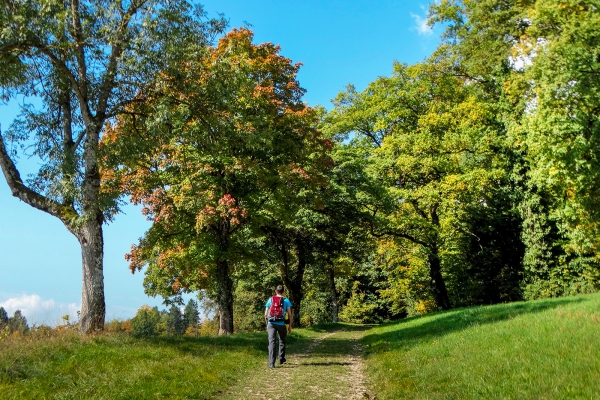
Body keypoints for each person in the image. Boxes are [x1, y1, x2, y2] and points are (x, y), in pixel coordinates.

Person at [264, 285, 293, 368]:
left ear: (276, 291)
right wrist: (289, 326)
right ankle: (281, 359)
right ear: (283, 292)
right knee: (282, 340)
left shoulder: (270, 299)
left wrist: (267, 325)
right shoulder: (286, 300)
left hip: (271, 323)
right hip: (281, 323)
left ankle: (271, 363)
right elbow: (290, 315)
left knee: (271, 343)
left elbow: (265, 314)